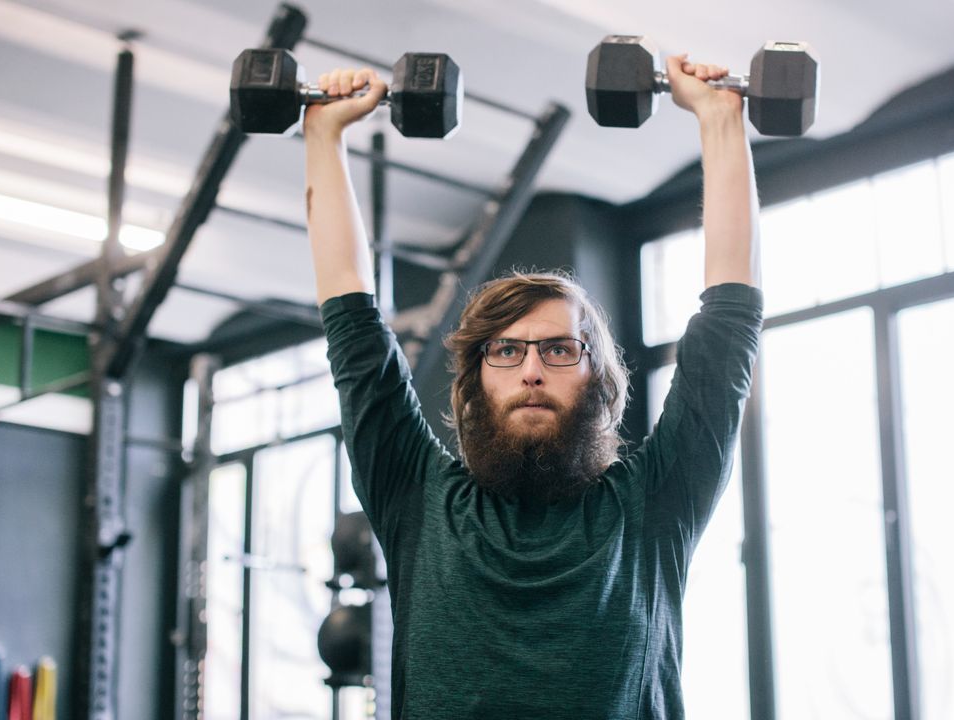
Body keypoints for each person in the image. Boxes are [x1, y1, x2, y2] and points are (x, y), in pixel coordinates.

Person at [306, 54, 763, 719]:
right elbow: (350, 318)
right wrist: (323, 136)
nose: (530, 369)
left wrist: (722, 121)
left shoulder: (656, 501)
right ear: (472, 383)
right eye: (507, 351)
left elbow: (730, 318)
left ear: (599, 381)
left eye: (557, 349)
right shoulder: (415, 493)